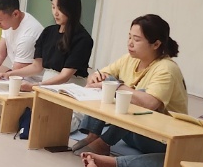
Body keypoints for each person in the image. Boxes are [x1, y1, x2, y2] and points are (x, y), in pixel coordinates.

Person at [74, 13, 188, 159]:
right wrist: (96, 77)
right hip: (130, 132)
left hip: (161, 139)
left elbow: (150, 103)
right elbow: (100, 76)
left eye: (137, 39)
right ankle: (93, 136)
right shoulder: (130, 59)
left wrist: (116, 87)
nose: (130, 43)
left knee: (130, 93)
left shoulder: (167, 68)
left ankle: (104, 143)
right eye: (129, 37)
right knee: (108, 81)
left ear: (156, 44)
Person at [2, 0, 93, 86]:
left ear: (72, 10)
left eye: (60, 9)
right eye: (53, 7)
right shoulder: (48, 32)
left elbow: (65, 76)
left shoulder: (83, 39)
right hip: (46, 85)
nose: (55, 13)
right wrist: (10, 74)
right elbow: (36, 67)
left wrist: (36, 86)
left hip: (69, 87)